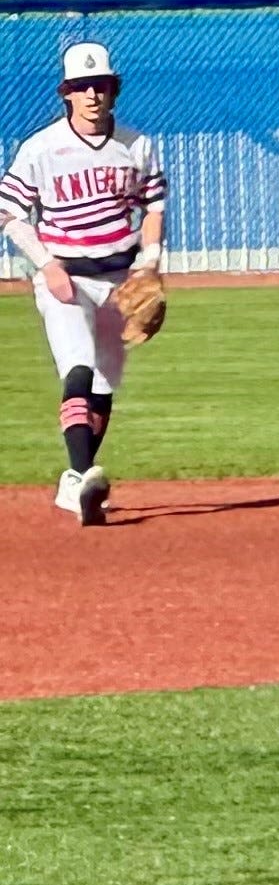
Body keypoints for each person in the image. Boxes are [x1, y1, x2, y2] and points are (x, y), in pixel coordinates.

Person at [0, 40, 166, 526]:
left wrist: (150, 265)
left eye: (100, 85)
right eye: (81, 87)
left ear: (113, 90)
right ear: (66, 94)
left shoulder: (137, 145)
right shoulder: (41, 148)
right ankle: (83, 470)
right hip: (65, 277)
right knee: (77, 367)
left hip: (119, 280)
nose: (92, 94)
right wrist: (46, 264)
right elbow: (8, 210)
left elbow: (153, 207)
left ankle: (75, 485)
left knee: (105, 384)